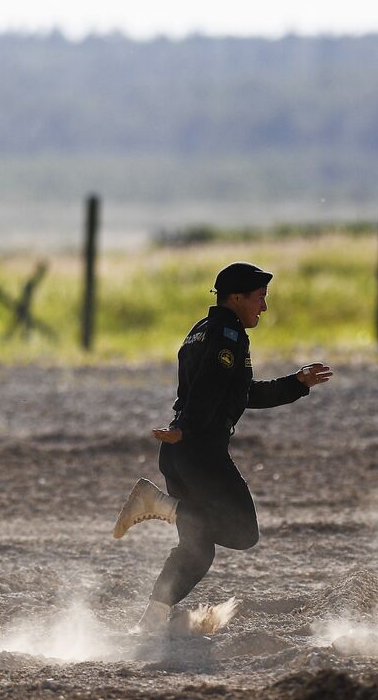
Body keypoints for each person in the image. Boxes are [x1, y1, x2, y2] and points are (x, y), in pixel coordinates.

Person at [111, 262, 332, 637]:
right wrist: (186, 428)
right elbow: (208, 389)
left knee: (197, 549)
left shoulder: (202, 330)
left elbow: (238, 393)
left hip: (181, 452)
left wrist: (295, 383)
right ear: (236, 297)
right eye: (260, 299)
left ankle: (149, 623)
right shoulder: (228, 336)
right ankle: (161, 504)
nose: (263, 307)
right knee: (243, 531)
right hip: (200, 451)